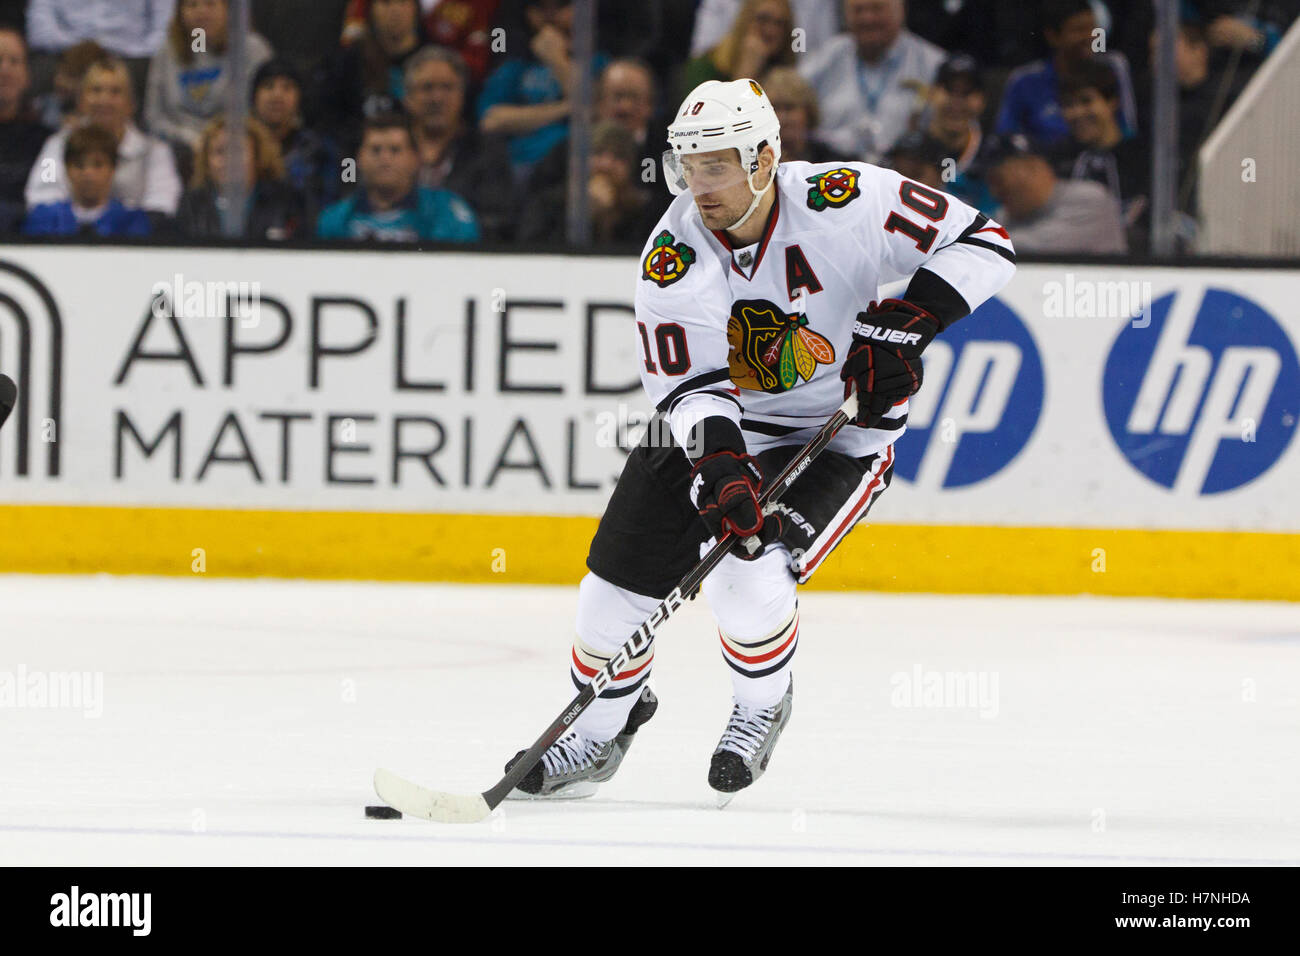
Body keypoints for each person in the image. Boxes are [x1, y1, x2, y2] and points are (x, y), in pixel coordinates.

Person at [506, 79, 1015, 802]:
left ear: (766, 158)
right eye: (687, 166)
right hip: (723, 426)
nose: (698, 187)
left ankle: (760, 703)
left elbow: (985, 242)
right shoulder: (672, 256)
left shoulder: (848, 200)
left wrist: (912, 319)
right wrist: (722, 468)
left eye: (716, 165)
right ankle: (598, 732)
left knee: (746, 574)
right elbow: (692, 390)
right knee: (607, 595)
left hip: (838, 437)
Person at [25, 56, 182, 218]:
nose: (104, 100)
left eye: (115, 92)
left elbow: (162, 203)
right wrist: (84, 222)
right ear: (81, 101)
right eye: (96, 90)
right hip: (69, 236)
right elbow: (42, 194)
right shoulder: (57, 146)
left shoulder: (155, 152)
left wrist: (123, 221)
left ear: (131, 104)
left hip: (133, 237)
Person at [476, 0, 608, 182]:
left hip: (575, 165)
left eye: (560, 7)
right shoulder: (516, 66)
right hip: (518, 167)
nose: (550, 16)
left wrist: (556, 59)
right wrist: (567, 108)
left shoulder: (597, 63)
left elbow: (597, 111)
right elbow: (491, 120)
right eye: (541, 8)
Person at [797, 0, 946, 162]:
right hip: (831, 173)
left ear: (901, 11)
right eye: (859, 10)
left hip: (905, 173)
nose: (867, 18)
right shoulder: (824, 59)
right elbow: (789, 95)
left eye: (877, 8)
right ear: (845, 15)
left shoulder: (934, 66)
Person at [402, 45, 513, 240]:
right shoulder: (388, 146)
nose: (437, 98)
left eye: (447, 87)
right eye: (427, 88)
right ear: (408, 98)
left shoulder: (487, 150)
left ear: (462, 96)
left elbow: (496, 219)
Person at [316, 112, 479, 242]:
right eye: (375, 150)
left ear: (416, 159)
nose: (385, 159)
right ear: (359, 159)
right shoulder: (335, 219)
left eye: (395, 150)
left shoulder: (447, 212)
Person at [995, 0, 1138, 147]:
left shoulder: (1113, 66)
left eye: (1093, 28)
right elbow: (1006, 137)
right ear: (1053, 36)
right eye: (1079, 30)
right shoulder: (1024, 81)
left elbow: (1127, 128)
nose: (1090, 37)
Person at [143, 0, 273, 151]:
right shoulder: (166, 52)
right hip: (178, 149)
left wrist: (219, 141)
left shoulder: (252, 49)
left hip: (237, 150)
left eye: (210, 3)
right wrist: (189, 138)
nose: (201, 11)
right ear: (179, 13)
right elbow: (153, 117)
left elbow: (263, 112)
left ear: (228, 9)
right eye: (192, 5)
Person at [1055, 60, 1149, 250]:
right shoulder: (1056, 161)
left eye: (1086, 101)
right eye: (1068, 104)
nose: (1077, 113)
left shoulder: (1144, 158)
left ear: (1112, 101)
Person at [517, 120, 660, 245]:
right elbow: (535, 256)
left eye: (619, 157)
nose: (606, 164)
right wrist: (587, 214)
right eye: (597, 153)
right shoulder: (548, 204)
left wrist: (607, 224)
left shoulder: (645, 212)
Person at [985, 133, 1124, 254]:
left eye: (999, 180)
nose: (994, 193)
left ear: (1032, 168)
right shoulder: (1007, 214)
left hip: (1099, 284)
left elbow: (1040, 246)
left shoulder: (1090, 199)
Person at [319, 0, 428, 152]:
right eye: (386, 3)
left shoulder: (435, 61)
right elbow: (330, 119)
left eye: (403, 2)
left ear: (416, 9)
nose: (395, 10)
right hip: (356, 156)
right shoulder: (348, 61)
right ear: (371, 10)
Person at [176, 116, 305, 239]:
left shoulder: (286, 200)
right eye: (220, 152)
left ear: (258, 157)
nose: (229, 160)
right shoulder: (191, 204)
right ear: (207, 163)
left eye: (237, 151)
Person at [22, 124, 151, 236]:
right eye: (79, 165)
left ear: (113, 169)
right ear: (66, 169)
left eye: (98, 165)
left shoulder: (132, 220)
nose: (88, 174)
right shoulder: (44, 217)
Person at [250, 58, 340, 215]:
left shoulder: (319, 149)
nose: (277, 95)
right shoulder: (238, 148)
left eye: (287, 87)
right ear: (254, 97)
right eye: (268, 86)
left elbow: (330, 203)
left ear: (299, 98)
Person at [918, 54, 994, 214]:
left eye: (967, 92)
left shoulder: (994, 156)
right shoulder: (907, 151)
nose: (957, 102)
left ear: (982, 101)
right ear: (931, 94)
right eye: (949, 90)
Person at [682, 0, 794, 93]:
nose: (770, 31)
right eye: (763, 19)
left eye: (780, 23)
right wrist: (745, 74)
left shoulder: (788, 74)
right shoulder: (705, 66)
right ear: (745, 20)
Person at [0, 28, 49, 233]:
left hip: (30, 237)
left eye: (14, 61)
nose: (5, 70)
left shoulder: (47, 142)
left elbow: (50, 188)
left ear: (27, 75)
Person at [761, 66, 835, 163]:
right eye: (775, 108)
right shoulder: (752, 165)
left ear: (808, 112)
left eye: (789, 108)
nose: (782, 118)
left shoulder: (833, 163)